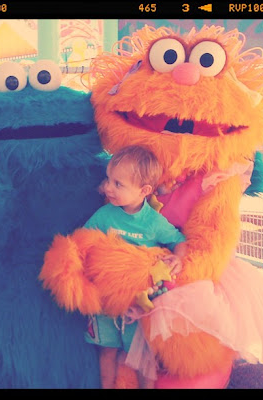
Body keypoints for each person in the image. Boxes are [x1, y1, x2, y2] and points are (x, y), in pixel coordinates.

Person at [83, 145, 187, 389]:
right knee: (106, 351)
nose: (108, 188)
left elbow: (179, 240)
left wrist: (178, 258)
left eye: (118, 184)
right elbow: (83, 240)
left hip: (138, 303)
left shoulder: (153, 222)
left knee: (143, 356)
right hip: (106, 300)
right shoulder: (104, 215)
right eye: (108, 179)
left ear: (144, 191)